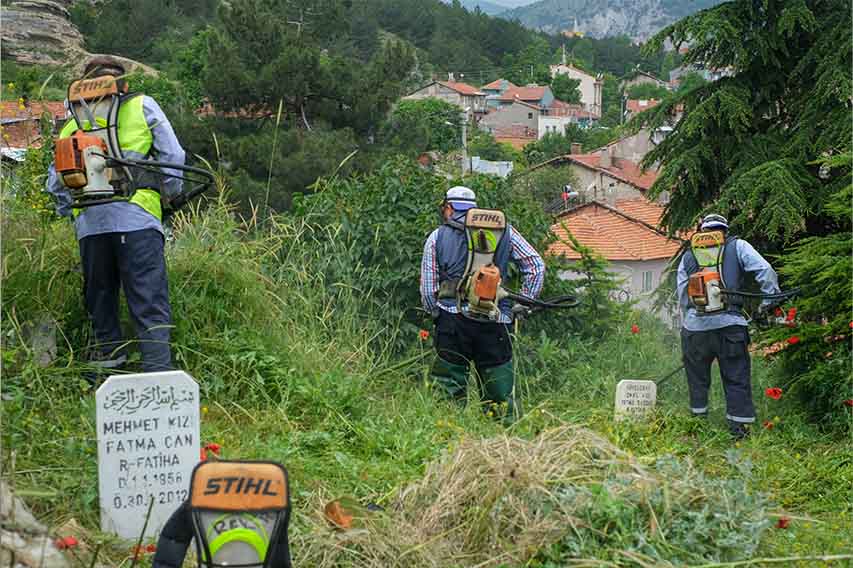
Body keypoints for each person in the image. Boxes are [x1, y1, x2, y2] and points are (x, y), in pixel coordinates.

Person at [46, 56, 185, 374]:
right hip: (137, 220)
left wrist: (72, 215)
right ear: (121, 82)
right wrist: (171, 195)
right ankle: (158, 380)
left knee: (101, 304)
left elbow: (56, 183)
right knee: (148, 303)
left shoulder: (72, 123)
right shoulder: (141, 106)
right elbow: (174, 156)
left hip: (91, 228)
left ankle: (108, 381)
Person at [420, 186, 545, 423]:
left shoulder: (437, 237)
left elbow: (428, 289)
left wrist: (434, 312)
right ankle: (504, 442)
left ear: (448, 208)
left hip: (452, 321)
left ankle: (446, 439)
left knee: (447, 391)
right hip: (496, 322)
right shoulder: (505, 231)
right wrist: (523, 305)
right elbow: (535, 265)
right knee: (499, 394)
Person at [676, 213, 781, 439]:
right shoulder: (738, 246)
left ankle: (698, 428)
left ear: (702, 232)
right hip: (731, 327)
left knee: (697, 380)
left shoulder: (688, 255)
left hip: (695, 329)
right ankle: (738, 433)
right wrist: (769, 302)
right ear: (725, 230)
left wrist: (691, 321)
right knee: (736, 377)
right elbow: (765, 271)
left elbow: (683, 294)